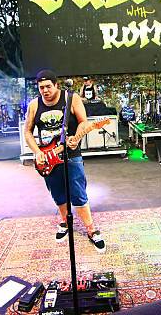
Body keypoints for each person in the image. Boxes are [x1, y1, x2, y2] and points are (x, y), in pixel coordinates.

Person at [23, 69, 105, 253]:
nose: (44, 90)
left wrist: (76, 137)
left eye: (48, 86)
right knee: (58, 193)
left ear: (56, 85)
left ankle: (91, 230)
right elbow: (27, 131)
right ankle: (65, 222)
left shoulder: (71, 98)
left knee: (78, 192)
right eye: (41, 87)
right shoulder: (34, 105)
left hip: (71, 153)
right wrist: (37, 152)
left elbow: (84, 122)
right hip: (47, 158)